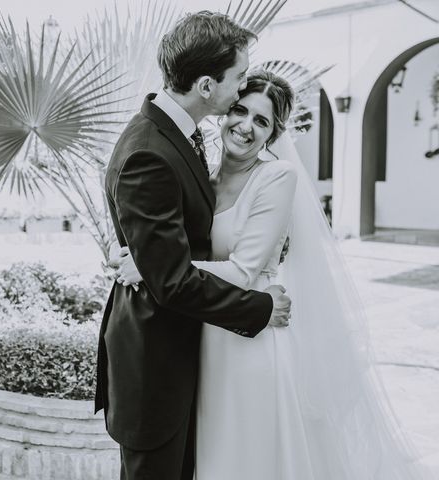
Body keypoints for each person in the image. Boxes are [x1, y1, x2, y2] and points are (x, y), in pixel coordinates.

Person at [113, 70, 430, 479]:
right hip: (202, 333)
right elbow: (160, 231)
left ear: (272, 133)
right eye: (240, 111)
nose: (245, 126)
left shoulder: (277, 178)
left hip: (248, 338)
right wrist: (124, 248)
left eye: (261, 121)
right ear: (225, 112)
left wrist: (151, 267)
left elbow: (243, 272)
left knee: (246, 457)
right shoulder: (202, 177)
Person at [94, 11, 292, 480]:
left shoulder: (180, 135)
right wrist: (260, 308)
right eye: (239, 78)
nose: (242, 88)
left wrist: (144, 259)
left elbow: (173, 243)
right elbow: (174, 282)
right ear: (207, 85)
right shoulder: (151, 150)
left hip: (194, 352)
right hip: (156, 364)